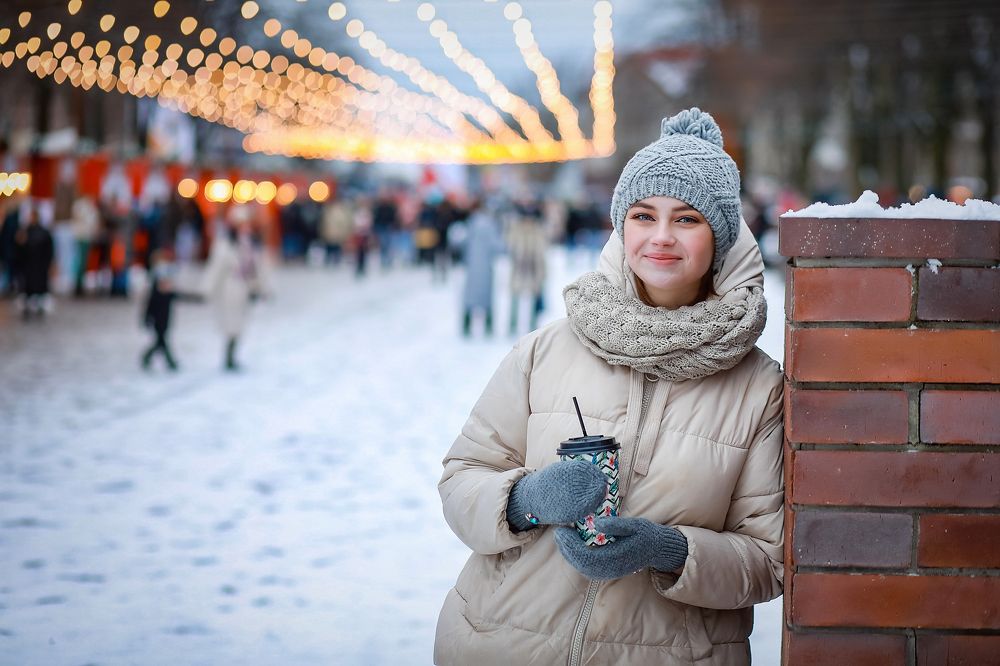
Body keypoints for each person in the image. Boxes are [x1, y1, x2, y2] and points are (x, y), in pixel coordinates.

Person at [435, 108, 783, 665]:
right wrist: (524, 501)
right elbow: (461, 481)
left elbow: (767, 561)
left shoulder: (758, 387)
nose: (661, 237)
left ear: (720, 236)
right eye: (644, 215)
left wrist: (668, 551)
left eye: (687, 219)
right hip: (502, 644)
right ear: (622, 227)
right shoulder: (546, 350)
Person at [201, 205, 266, 371]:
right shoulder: (225, 244)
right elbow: (216, 268)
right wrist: (207, 289)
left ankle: (232, 355)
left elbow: (256, 268)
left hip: (244, 288)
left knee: (240, 324)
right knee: (231, 323)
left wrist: (260, 287)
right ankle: (228, 356)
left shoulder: (250, 243)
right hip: (230, 288)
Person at [460, 201, 503, 337]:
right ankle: (488, 327)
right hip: (485, 268)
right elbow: (498, 246)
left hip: (472, 267)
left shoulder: (470, 224)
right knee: (486, 298)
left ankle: (466, 326)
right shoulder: (490, 226)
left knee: (469, 297)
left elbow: (461, 243)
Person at [505, 206, 548, 334]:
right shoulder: (516, 230)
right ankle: (512, 325)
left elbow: (542, 253)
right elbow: (510, 246)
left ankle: (532, 325)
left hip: (533, 270)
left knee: (534, 299)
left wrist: (543, 272)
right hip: (519, 269)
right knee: (515, 298)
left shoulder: (538, 232)